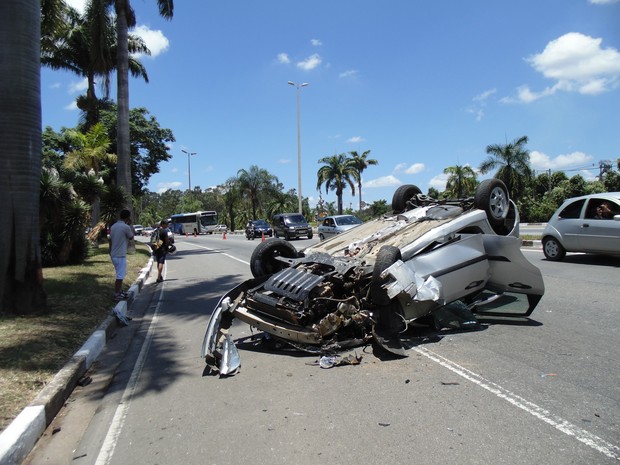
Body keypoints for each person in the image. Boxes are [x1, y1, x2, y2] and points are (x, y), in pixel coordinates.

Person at [109, 209, 135, 300]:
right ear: (128, 217)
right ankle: (117, 294)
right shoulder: (126, 227)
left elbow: (111, 240)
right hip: (120, 254)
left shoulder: (113, 226)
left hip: (113, 253)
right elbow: (131, 237)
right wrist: (129, 224)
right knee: (120, 275)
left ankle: (120, 291)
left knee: (120, 273)